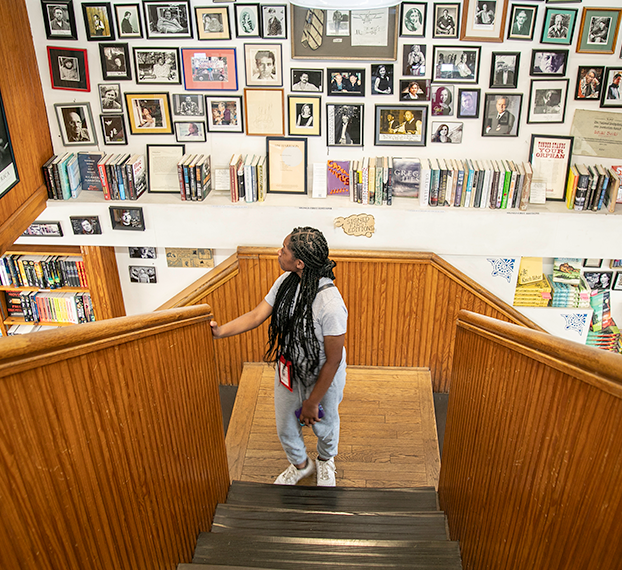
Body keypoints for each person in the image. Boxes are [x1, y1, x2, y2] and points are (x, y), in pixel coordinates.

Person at [210, 228, 348, 487]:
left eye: (283, 250)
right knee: (285, 423)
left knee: (325, 424)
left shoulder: (330, 304)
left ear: (299, 263)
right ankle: (301, 466)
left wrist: (312, 401)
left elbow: (334, 360)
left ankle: (326, 460)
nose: (278, 252)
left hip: (322, 374)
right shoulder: (285, 282)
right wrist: (220, 332)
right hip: (289, 368)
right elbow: (255, 315)